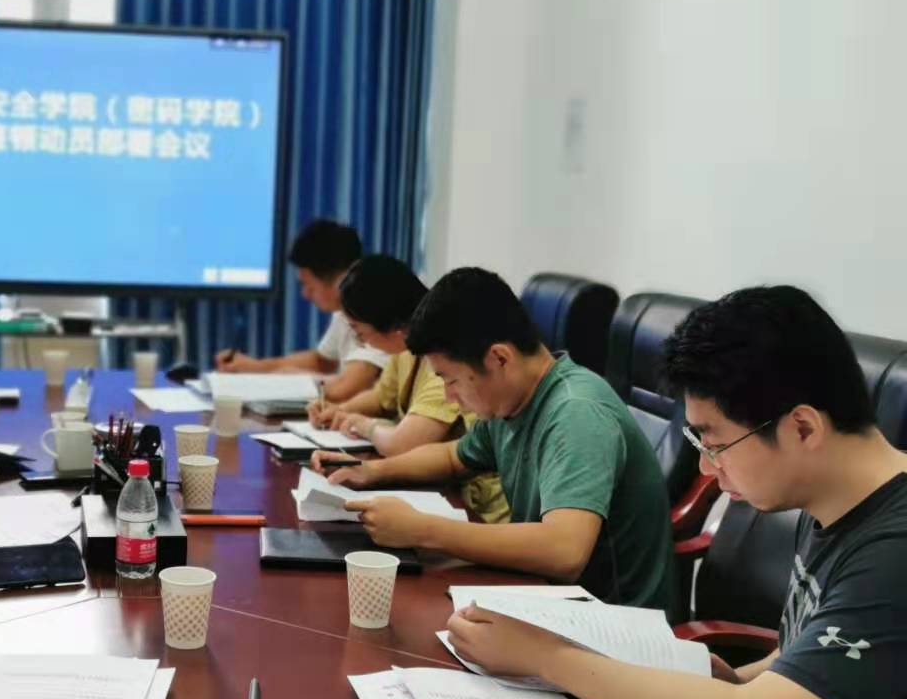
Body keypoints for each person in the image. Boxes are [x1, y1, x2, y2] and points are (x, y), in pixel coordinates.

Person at [447, 286, 907, 699]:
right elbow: (815, 656)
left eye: (715, 442)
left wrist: (545, 656)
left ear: (803, 429)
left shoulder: (894, 551)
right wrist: (733, 677)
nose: (709, 470)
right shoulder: (832, 500)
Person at [314, 267, 673, 611]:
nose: (450, 396)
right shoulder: (513, 402)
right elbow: (454, 458)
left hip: (612, 623)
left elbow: (565, 551)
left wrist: (422, 530)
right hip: (547, 598)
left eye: (451, 379)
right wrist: (371, 472)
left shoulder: (576, 412)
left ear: (499, 358)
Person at [309, 255, 509, 522]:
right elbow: (385, 398)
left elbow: (404, 444)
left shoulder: (446, 356)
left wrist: (363, 425)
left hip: (477, 508)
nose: (450, 395)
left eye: (361, 333)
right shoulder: (415, 351)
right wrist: (341, 414)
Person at [213, 220, 389, 402]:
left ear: (341, 281)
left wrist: (292, 380)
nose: (305, 294)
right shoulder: (344, 312)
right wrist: (255, 366)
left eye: (308, 285)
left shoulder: (379, 313)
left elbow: (346, 388)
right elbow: (322, 361)